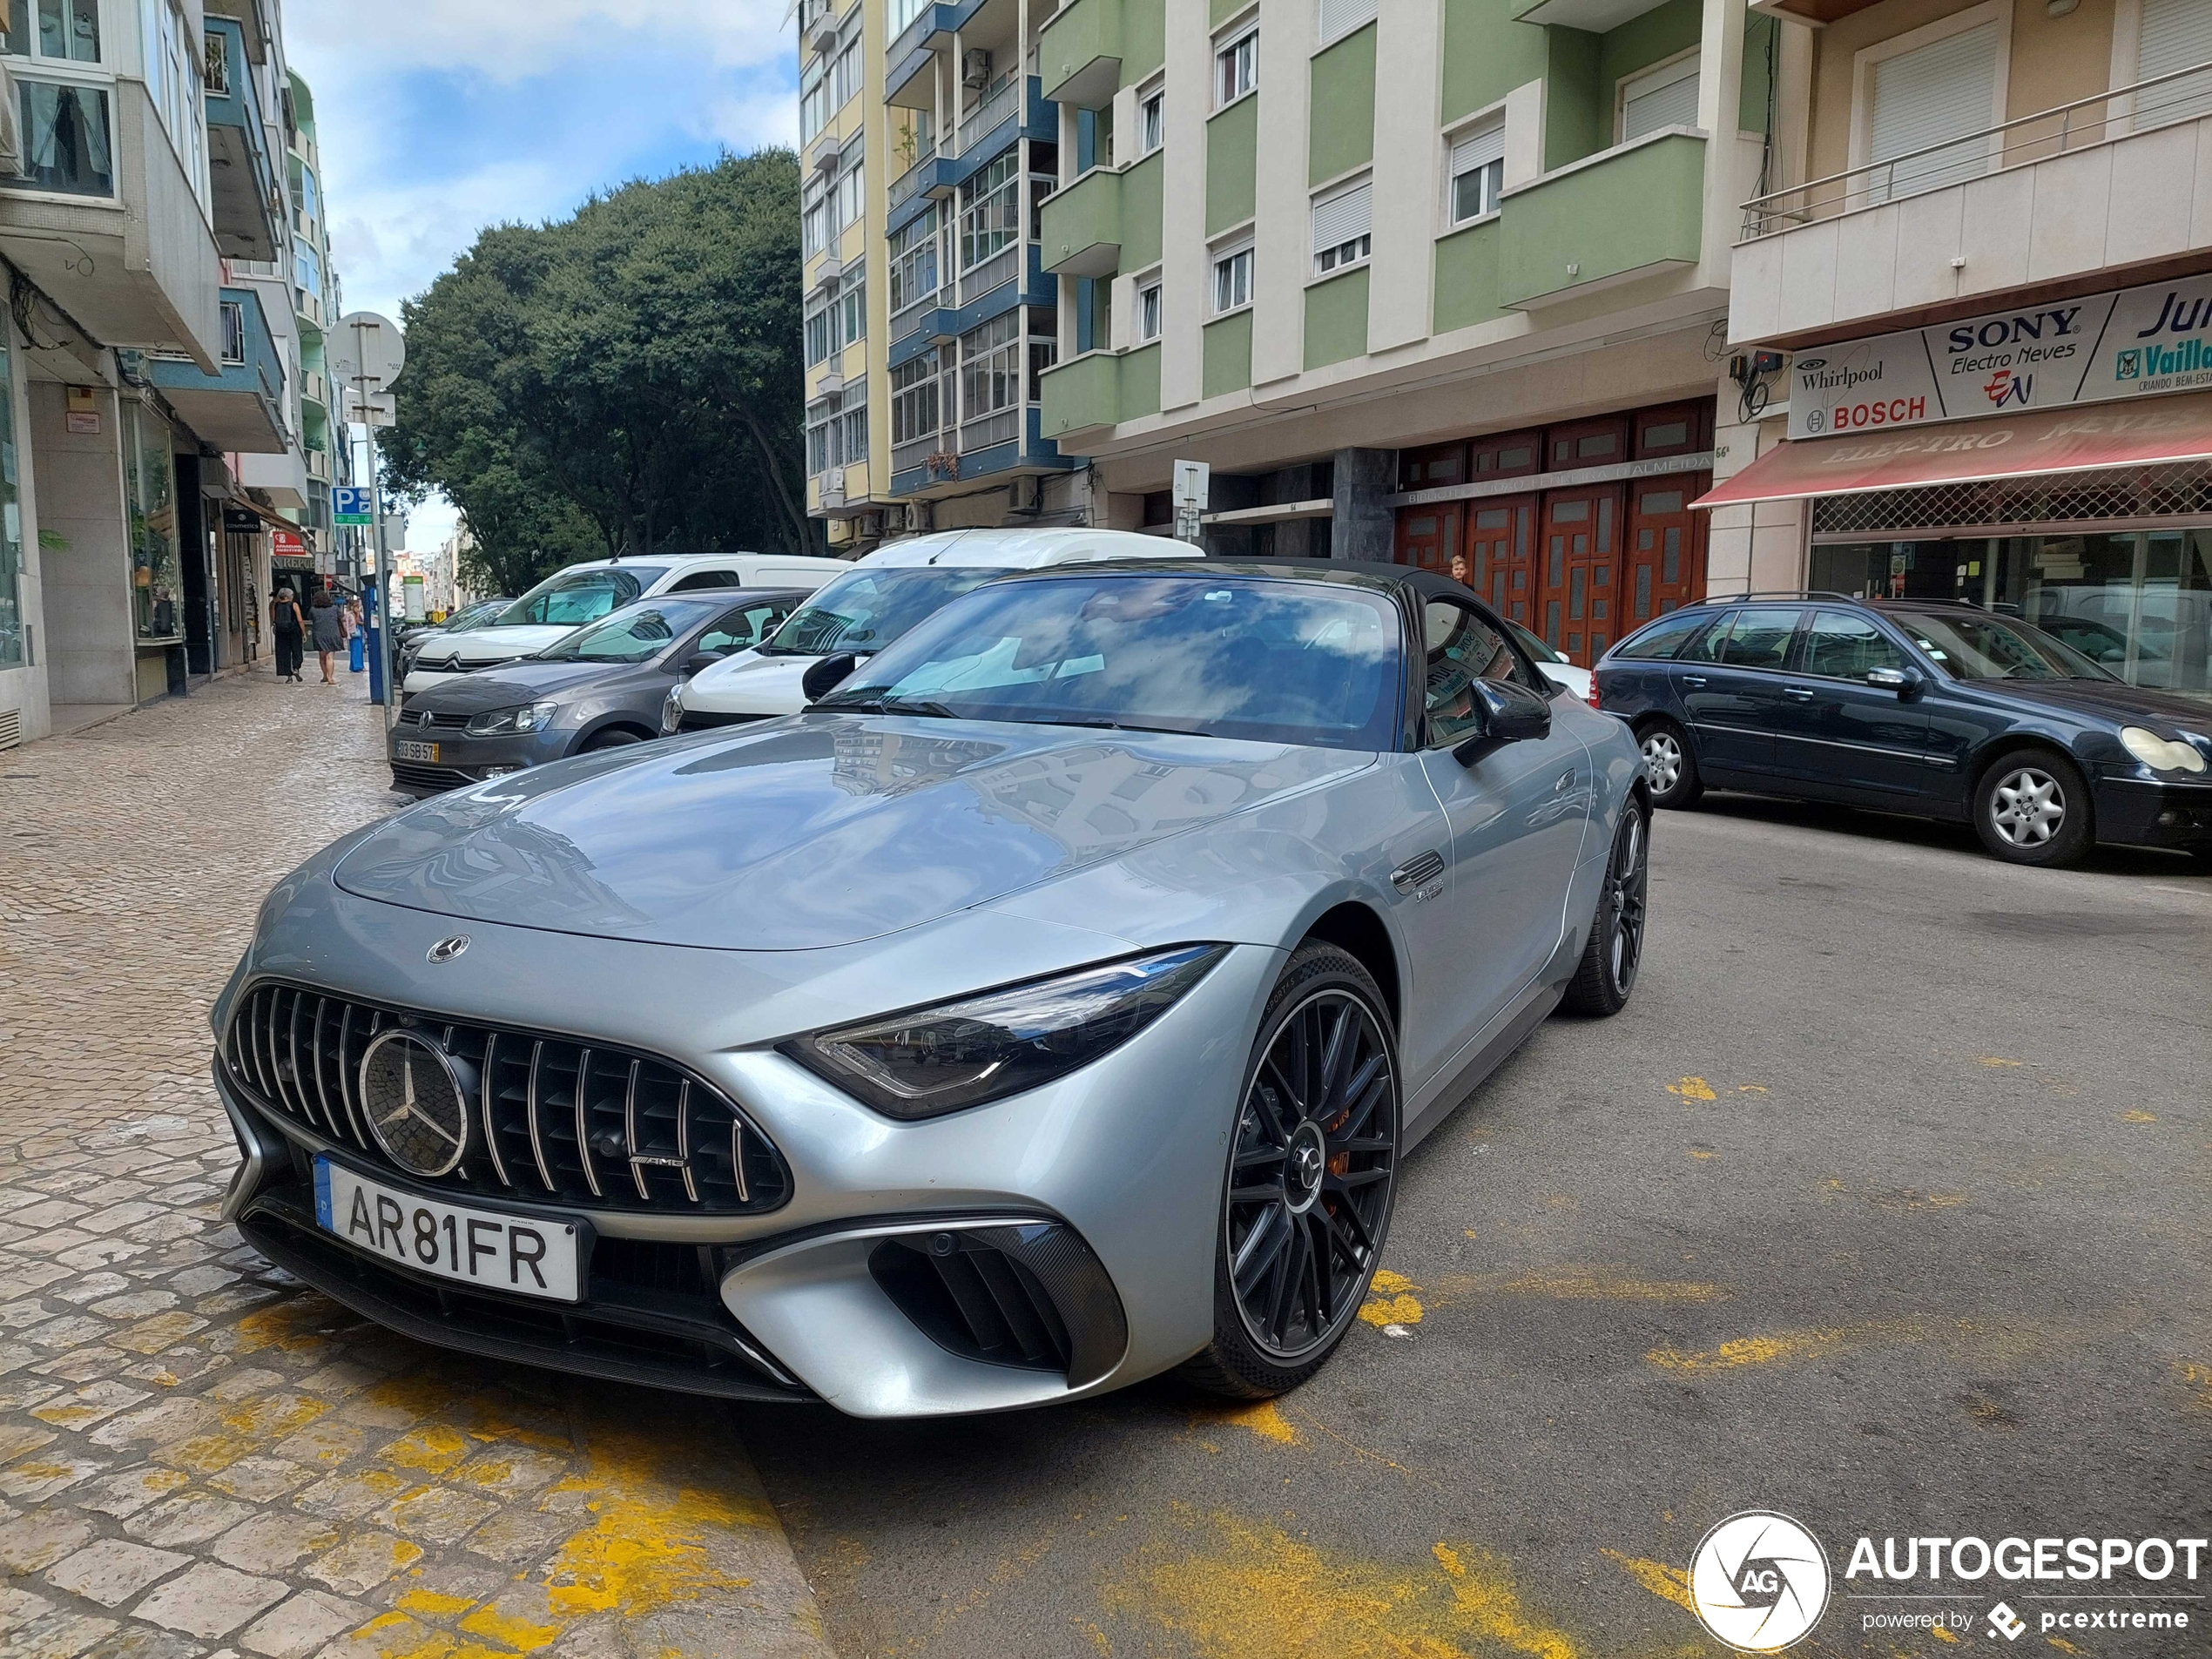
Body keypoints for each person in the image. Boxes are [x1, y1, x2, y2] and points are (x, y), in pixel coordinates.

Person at [309, 584, 344, 683]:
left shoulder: (313, 610)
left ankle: (324, 675)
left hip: (319, 634)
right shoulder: (334, 609)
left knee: (322, 657)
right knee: (330, 657)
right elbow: (342, 618)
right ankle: (330, 677)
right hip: (333, 634)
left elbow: (311, 618)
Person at [270, 588, 306, 683]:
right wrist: (303, 632)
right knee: (296, 649)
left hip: (281, 631)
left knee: (283, 652)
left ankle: (288, 676)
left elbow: (273, 618)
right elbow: (300, 620)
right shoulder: (294, 604)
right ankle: (296, 668)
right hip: (294, 630)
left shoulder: (276, 605)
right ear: (289, 596)